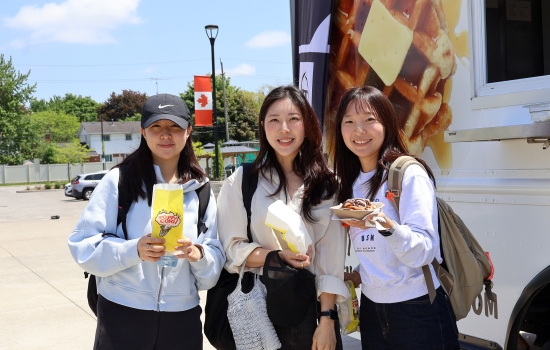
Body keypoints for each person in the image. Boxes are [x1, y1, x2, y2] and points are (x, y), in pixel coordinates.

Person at [68, 93, 224, 350]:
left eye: (175, 126)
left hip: (181, 318)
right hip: (123, 313)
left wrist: (199, 255)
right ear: (143, 131)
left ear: (188, 132)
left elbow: (214, 264)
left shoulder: (201, 190)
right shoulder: (119, 181)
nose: (166, 134)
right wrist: (134, 250)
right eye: (156, 127)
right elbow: (83, 246)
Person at [217, 86, 349, 350]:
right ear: (263, 127)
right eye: (274, 120)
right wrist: (275, 257)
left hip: (312, 313)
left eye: (293, 119)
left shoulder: (328, 184)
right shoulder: (243, 181)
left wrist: (326, 320)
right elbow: (231, 249)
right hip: (260, 308)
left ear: (307, 124)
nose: (284, 129)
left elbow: (330, 260)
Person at [332, 86, 459, 350]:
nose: (359, 130)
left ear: (387, 124)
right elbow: (377, 252)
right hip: (371, 310)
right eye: (349, 122)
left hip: (418, 309)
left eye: (370, 120)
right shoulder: (349, 184)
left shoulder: (407, 174)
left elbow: (424, 251)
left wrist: (381, 222)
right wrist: (357, 275)